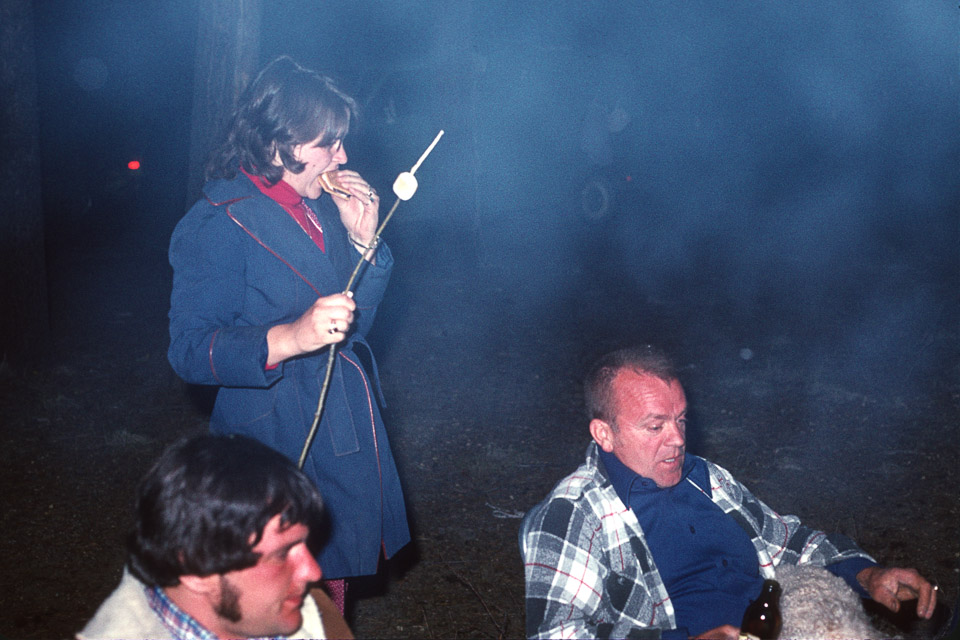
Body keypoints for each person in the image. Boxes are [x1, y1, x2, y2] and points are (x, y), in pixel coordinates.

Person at [167, 56, 409, 613]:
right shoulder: (220, 222)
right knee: (273, 603)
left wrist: (362, 245)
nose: (342, 157)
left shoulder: (321, 211)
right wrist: (288, 339)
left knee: (329, 597)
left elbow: (349, 331)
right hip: (269, 446)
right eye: (329, 143)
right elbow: (189, 349)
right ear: (279, 144)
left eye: (343, 142)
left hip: (340, 436)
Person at [521, 345, 938, 639]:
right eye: (655, 426)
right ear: (604, 434)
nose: (678, 440)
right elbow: (558, 633)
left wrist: (868, 574)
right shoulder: (572, 514)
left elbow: (789, 544)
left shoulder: (706, 479)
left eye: (681, 419)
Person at [77, 434, 334, 639]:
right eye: (281, 553)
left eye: (305, 544)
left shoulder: (315, 614)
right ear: (197, 569)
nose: (313, 572)